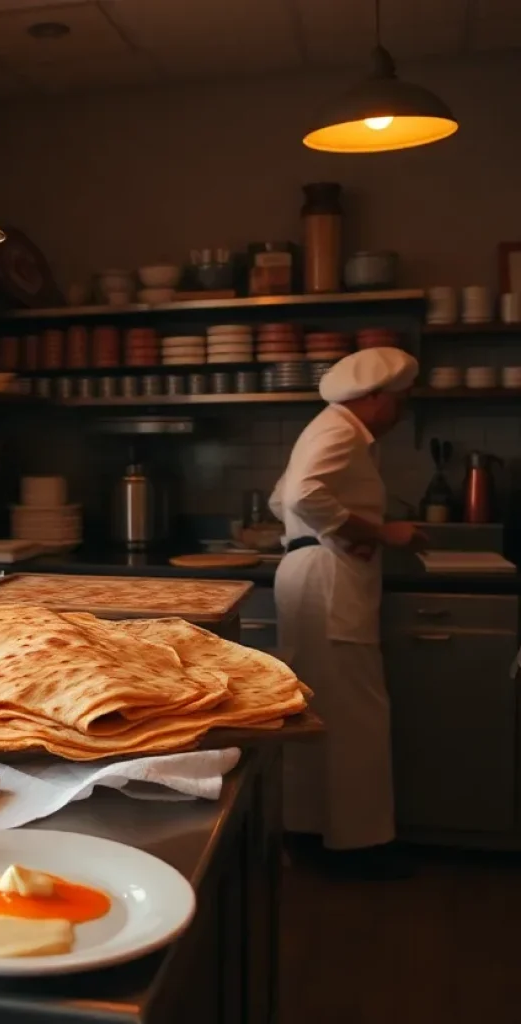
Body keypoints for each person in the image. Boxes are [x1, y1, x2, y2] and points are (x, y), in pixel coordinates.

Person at [269, 347, 424, 878]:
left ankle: (313, 833)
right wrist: (375, 532)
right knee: (356, 713)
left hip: (313, 572)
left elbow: (280, 499)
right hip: (329, 582)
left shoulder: (329, 429)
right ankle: (361, 850)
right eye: (400, 399)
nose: (402, 410)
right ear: (375, 398)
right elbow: (307, 493)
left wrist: (331, 531)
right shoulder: (338, 431)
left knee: (322, 709)